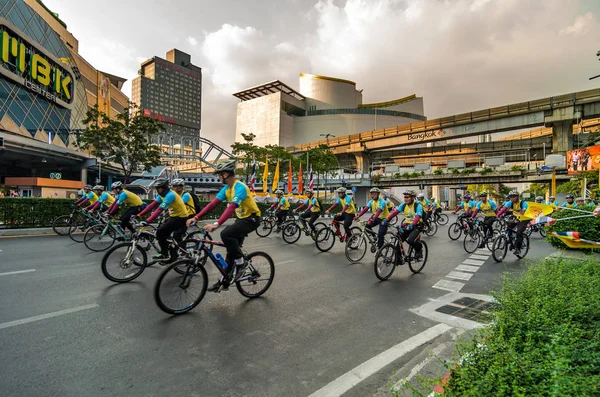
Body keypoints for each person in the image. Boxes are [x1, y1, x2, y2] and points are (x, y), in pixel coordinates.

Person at [186, 160, 260, 291]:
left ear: (225, 174)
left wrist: (217, 224)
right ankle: (225, 281)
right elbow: (212, 204)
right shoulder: (227, 189)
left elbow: (231, 207)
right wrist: (196, 217)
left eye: (219, 175)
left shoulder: (240, 187)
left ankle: (241, 264)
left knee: (226, 234)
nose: (218, 177)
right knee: (230, 251)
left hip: (252, 219)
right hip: (241, 219)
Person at [137, 179, 189, 261]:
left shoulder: (170, 195)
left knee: (160, 232)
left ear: (164, 188)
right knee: (163, 231)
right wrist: (139, 215)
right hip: (174, 216)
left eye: (159, 189)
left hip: (181, 217)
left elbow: (159, 209)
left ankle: (164, 254)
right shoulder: (162, 195)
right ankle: (172, 250)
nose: (158, 191)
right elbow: (151, 206)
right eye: (157, 189)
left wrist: (147, 221)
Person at [382, 189, 424, 260]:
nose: (406, 199)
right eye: (405, 197)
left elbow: (418, 217)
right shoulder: (403, 205)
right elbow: (395, 213)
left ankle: (419, 250)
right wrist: (387, 219)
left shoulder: (418, 206)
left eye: (408, 197)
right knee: (397, 239)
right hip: (407, 225)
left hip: (417, 225)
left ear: (413, 197)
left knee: (410, 240)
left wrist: (413, 224)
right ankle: (398, 258)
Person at [496, 190, 529, 255]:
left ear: (517, 196)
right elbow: (503, 210)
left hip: (524, 218)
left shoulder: (523, 203)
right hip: (516, 217)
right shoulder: (510, 202)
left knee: (519, 232)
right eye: (511, 197)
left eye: (514, 196)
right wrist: (497, 216)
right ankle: (511, 240)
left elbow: (523, 212)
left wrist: (518, 219)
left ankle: (518, 248)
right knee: (508, 227)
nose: (512, 198)